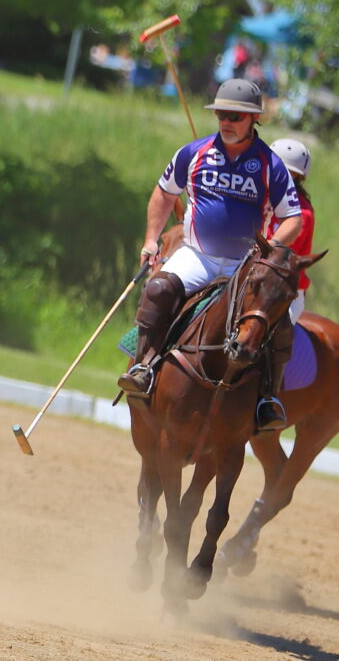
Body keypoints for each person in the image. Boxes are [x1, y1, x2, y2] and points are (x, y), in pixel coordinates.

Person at [117, 78, 303, 431]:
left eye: (235, 115)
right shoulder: (194, 152)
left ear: (254, 119)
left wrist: (270, 252)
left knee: (279, 323)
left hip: (242, 265)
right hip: (198, 256)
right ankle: (143, 368)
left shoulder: (270, 165)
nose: (226, 122)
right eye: (221, 114)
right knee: (158, 289)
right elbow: (162, 194)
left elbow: (291, 218)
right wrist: (151, 241)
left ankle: (267, 399)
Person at [267, 138, 315, 323]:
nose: (281, 175)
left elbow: (276, 251)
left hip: (285, 290)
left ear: (298, 177)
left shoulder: (302, 212)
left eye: (289, 173)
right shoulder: (257, 195)